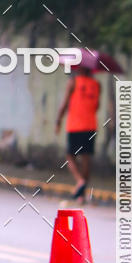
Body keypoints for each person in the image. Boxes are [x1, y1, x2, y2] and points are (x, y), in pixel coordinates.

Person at [55, 66, 100, 200]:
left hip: (75, 126)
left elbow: (64, 104)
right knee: (86, 158)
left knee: (70, 157)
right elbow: (97, 106)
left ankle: (80, 181)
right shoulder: (97, 85)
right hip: (90, 125)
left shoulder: (73, 82)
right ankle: (82, 195)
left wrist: (58, 121)